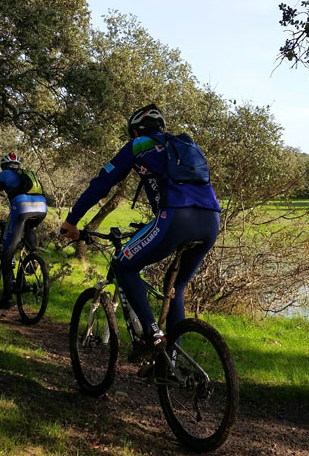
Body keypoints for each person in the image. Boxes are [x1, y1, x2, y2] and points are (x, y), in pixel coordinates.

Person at [60, 103, 221, 360]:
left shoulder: (138, 145)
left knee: (124, 265)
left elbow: (102, 184)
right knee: (176, 288)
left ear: (135, 131)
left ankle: (152, 334)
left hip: (176, 217)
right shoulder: (185, 146)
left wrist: (72, 220)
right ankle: (172, 361)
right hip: (212, 219)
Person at [0, 152, 48, 307]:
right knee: (28, 227)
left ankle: (7, 297)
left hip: (21, 210)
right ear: (18, 165)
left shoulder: (2, 176)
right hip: (42, 210)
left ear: (3, 166)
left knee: (7, 253)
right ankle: (33, 258)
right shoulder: (28, 174)